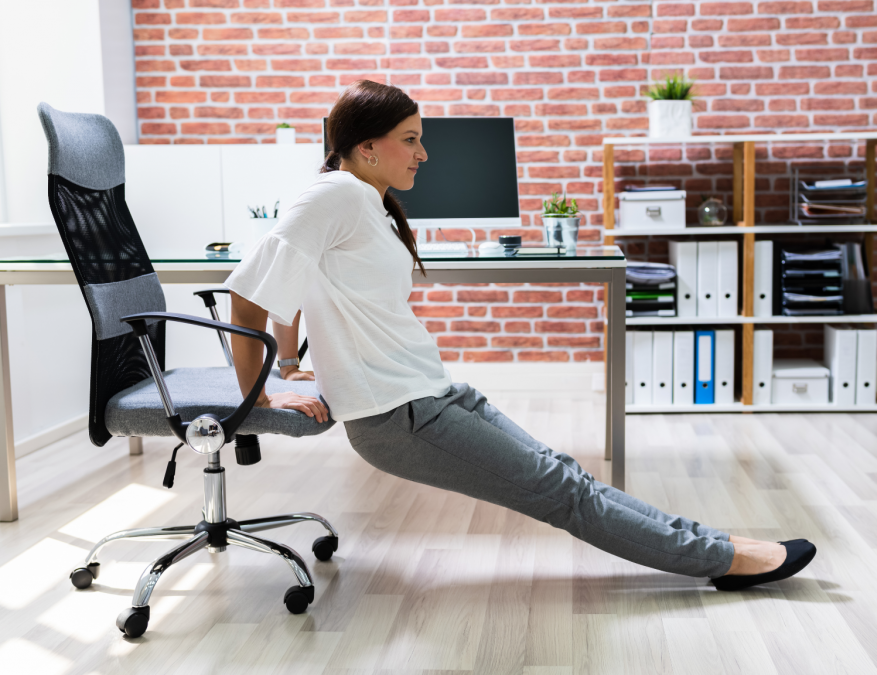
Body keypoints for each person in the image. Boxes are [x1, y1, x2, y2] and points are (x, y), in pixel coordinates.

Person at [224, 80, 815, 591]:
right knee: (564, 494)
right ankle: (723, 561)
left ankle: (713, 543)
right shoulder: (335, 194)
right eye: (410, 139)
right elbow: (251, 293)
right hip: (397, 416)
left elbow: (292, 283)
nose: (423, 153)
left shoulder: (366, 201)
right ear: (367, 147)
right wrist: (263, 395)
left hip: (431, 393)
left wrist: (294, 362)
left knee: (567, 475)